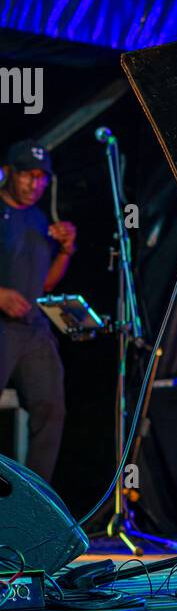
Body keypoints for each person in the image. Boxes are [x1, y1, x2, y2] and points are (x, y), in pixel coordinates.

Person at [0, 140, 77, 480]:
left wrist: (65, 251)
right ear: (9, 174)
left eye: (41, 178)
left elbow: (45, 283)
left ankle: (35, 506)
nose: (35, 185)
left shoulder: (38, 218)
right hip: (1, 326)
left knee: (51, 410)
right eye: (28, 176)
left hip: (33, 330)